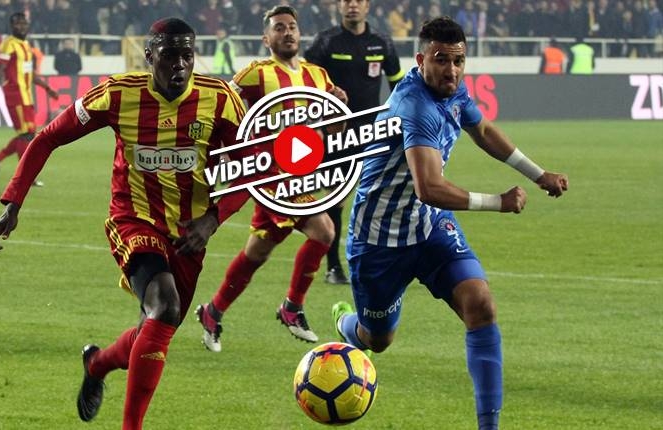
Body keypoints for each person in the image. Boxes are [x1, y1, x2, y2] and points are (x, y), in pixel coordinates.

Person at [0, 18, 249, 429]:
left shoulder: (221, 100)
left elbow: (254, 168)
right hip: (133, 219)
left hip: (189, 232)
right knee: (165, 305)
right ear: (150, 56)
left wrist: (213, 219)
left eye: (187, 55)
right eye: (170, 55)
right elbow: (48, 136)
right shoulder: (118, 94)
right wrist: (13, 202)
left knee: (156, 327)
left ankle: (98, 364)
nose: (180, 64)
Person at [332, 17, 568, 430]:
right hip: (379, 239)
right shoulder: (414, 106)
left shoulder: (453, 90)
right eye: (441, 60)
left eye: (459, 61)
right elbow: (429, 187)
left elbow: (484, 131)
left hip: (429, 228)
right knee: (378, 340)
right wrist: (498, 202)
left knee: (481, 305)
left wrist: (538, 174)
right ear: (421, 60)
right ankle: (347, 324)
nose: (452, 70)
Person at [195, 5, 348, 353]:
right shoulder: (256, 74)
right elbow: (222, 105)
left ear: (300, 33)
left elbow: (334, 128)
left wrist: (339, 104)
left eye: (292, 26)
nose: (287, 32)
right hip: (267, 176)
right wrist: (229, 151)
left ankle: (212, 312)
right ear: (266, 39)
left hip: (300, 175)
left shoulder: (318, 76)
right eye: (279, 28)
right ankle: (292, 307)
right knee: (324, 231)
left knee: (258, 252)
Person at [304, 0, 404, 285]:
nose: (352, 5)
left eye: (358, 0)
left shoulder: (382, 43)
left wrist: (399, 123)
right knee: (336, 199)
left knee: (383, 199)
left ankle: (383, 263)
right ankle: (333, 267)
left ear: (367, 6)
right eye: (346, 1)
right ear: (339, 6)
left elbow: (399, 87)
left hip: (373, 134)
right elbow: (305, 86)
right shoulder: (325, 42)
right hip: (337, 135)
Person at [0, 12, 59, 187]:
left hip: (26, 96)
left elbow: (29, 73)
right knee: (27, 135)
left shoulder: (26, 45)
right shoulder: (8, 44)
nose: (21, 26)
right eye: (18, 23)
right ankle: (25, 177)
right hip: (15, 95)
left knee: (27, 135)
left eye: (24, 23)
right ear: (12, 26)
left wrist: (47, 88)